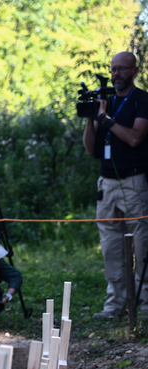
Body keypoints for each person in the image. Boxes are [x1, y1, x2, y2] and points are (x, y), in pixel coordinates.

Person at [82, 51, 148, 319]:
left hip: (133, 181)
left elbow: (134, 138)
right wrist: (90, 117)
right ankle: (115, 305)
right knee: (111, 247)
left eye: (122, 69)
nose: (116, 74)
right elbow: (90, 150)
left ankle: (144, 305)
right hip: (106, 184)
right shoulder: (104, 103)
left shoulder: (142, 100)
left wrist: (107, 120)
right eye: (113, 69)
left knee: (142, 246)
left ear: (134, 70)